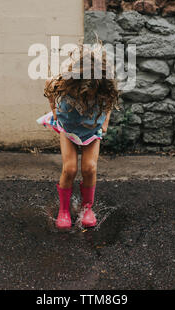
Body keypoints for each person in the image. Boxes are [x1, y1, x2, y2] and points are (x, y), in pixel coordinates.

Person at [36, 44, 119, 229]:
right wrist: (54, 113)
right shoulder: (65, 81)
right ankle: (64, 210)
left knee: (89, 168)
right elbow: (49, 85)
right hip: (69, 128)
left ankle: (87, 208)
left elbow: (110, 101)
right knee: (70, 169)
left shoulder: (103, 85)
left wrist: (105, 122)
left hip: (91, 131)